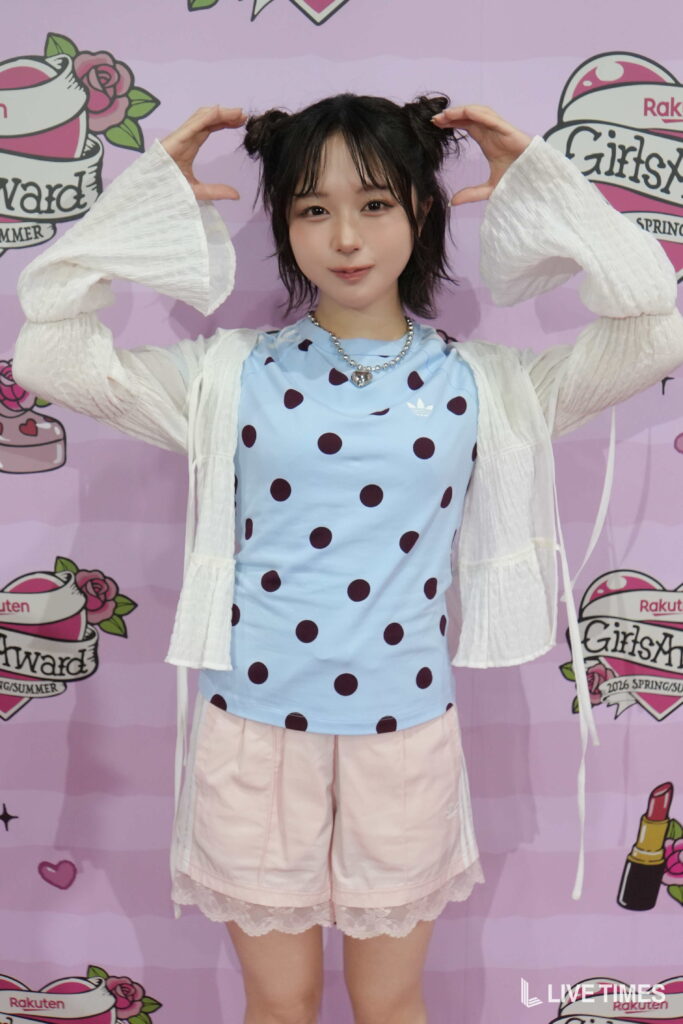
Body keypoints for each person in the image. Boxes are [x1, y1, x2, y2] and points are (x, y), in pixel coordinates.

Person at [12, 95, 683, 1024]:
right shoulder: (227, 374)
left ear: (421, 209)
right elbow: (50, 353)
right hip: (252, 733)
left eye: (374, 203)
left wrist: (546, 188)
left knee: (390, 999)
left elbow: (653, 326)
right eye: (311, 209)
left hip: (403, 736)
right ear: (285, 226)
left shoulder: (487, 385)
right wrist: (142, 206)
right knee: (279, 1001)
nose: (345, 237)